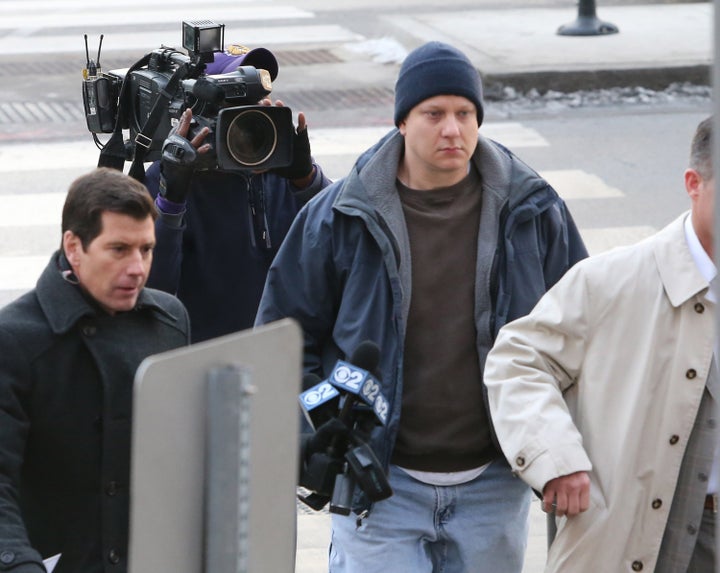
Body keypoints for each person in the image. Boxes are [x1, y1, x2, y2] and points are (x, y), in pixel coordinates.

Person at [255, 41, 588, 573]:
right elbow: (281, 337)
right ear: (403, 122)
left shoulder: (534, 211)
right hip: (381, 487)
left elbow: (582, 336)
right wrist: (328, 426)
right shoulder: (338, 215)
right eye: (434, 114)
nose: (452, 129)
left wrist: (561, 452)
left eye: (464, 113)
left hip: (495, 484)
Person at [484, 116, 716, 572]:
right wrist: (556, 457)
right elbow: (518, 359)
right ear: (694, 183)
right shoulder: (610, 281)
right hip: (629, 535)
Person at [0, 167, 190, 573]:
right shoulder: (14, 340)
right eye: (119, 249)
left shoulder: (170, 322)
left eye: (147, 249)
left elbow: (192, 446)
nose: (138, 268)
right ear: (74, 246)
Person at [144, 44, 331, 342]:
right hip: (207, 362)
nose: (254, 114)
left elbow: (343, 247)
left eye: (259, 99)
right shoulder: (172, 176)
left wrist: (307, 180)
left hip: (286, 354)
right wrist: (172, 199)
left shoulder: (283, 168)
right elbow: (153, 292)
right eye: (238, 103)